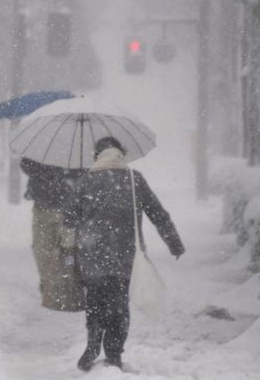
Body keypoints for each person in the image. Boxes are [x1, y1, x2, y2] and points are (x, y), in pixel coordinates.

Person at [64, 136, 185, 371]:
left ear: (97, 156)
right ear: (121, 154)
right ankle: (113, 354)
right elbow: (158, 213)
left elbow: (69, 218)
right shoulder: (133, 179)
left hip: (91, 255)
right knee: (118, 306)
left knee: (95, 302)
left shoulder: (86, 180)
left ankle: (93, 344)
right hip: (124, 256)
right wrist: (174, 243)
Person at [20, 157, 86, 311]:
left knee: (68, 252)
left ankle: (71, 295)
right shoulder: (44, 145)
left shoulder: (76, 145)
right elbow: (26, 164)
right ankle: (50, 288)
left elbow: (85, 172)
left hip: (69, 209)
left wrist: (67, 174)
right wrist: (50, 171)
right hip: (42, 207)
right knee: (41, 251)